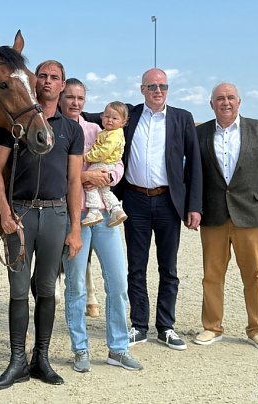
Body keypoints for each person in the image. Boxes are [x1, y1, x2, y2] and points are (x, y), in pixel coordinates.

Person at [85, 68, 202, 351]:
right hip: (135, 200)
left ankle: (166, 326)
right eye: (151, 86)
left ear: (168, 89)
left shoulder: (182, 119)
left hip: (168, 202)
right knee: (136, 267)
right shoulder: (131, 116)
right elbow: (93, 116)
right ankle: (139, 325)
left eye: (162, 86)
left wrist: (194, 206)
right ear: (142, 90)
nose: (157, 91)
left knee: (168, 268)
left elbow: (195, 163)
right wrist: (64, 106)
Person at [0, 59, 83, 390]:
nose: (46, 81)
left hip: (56, 216)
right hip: (21, 215)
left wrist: (75, 228)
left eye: (54, 77)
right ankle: (16, 362)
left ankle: (41, 359)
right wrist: (4, 213)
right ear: (33, 80)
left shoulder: (72, 130)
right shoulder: (12, 125)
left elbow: (74, 182)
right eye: (41, 75)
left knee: (46, 291)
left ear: (62, 85)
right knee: (18, 291)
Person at [192, 83, 258, 351]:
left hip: (252, 214)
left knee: (254, 273)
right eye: (220, 99)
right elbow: (193, 177)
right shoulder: (200, 133)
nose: (225, 102)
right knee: (212, 274)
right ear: (211, 104)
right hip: (213, 214)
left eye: (230, 97)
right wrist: (193, 208)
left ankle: (257, 329)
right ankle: (212, 327)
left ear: (239, 101)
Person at [58, 78, 142, 373]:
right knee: (76, 285)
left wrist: (109, 177)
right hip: (75, 216)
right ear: (60, 97)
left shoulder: (95, 129)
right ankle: (80, 349)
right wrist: (82, 178)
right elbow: (56, 174)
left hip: (105, 216)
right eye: (70, 97)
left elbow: (116, 161)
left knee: (118, 282)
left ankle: (117, 349)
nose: (75, 102)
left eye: (80, 98)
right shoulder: (51, 130)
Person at [80, 101, 128, 228]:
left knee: (89, 185)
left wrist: (86, 157)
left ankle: (94, 210)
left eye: (114, 118)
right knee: (104, 189)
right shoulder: (105, 132)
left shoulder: (114, 134)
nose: (109, 120)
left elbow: (104, 152)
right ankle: (116, 209)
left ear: (122, 122)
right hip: (106, 163)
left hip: (103, 163)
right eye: (106, 116)